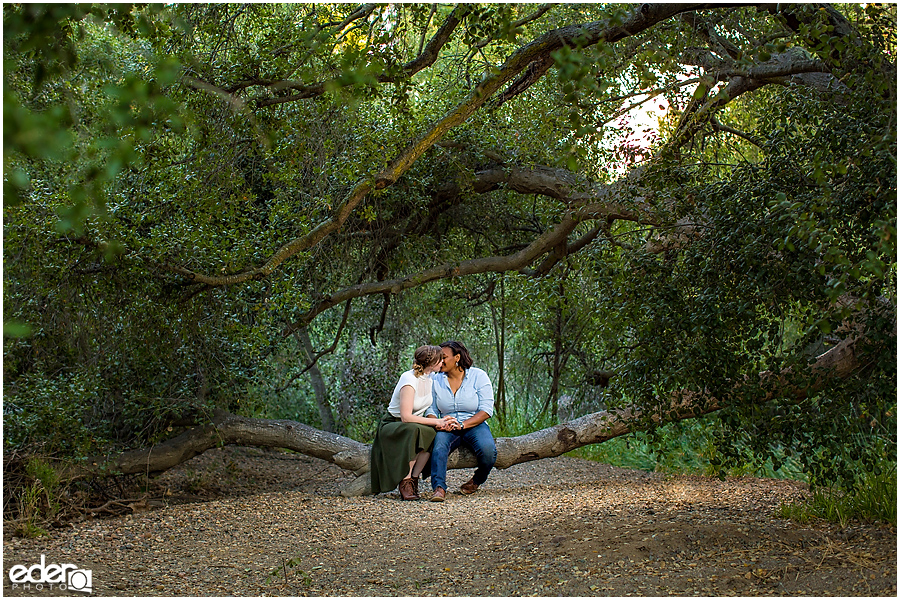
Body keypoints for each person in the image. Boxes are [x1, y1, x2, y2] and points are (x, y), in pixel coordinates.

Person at [370, 345, 459, 500]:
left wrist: (444, 421)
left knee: (432, 432)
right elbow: (406, 417)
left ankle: (414, 478)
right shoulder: (409, 379)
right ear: (431, 363)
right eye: (441, 359)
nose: (443, 362)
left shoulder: (430, 378)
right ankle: (405, 480)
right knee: (416, 431)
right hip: (393, 424)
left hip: (413, 424)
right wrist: (437, 421)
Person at [426, 340, 497, 502]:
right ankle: (438, 488)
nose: (440, 361)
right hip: (447, 425)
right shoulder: (435, 380)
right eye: (438, 358)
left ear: (457, 357)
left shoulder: (478, 376)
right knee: (439, 447)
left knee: (488, 451)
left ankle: (477, 480)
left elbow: (486, 410)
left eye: (444, 357)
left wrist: (463, 424)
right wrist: (438, 423)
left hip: (474, 424)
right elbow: (431, 409)